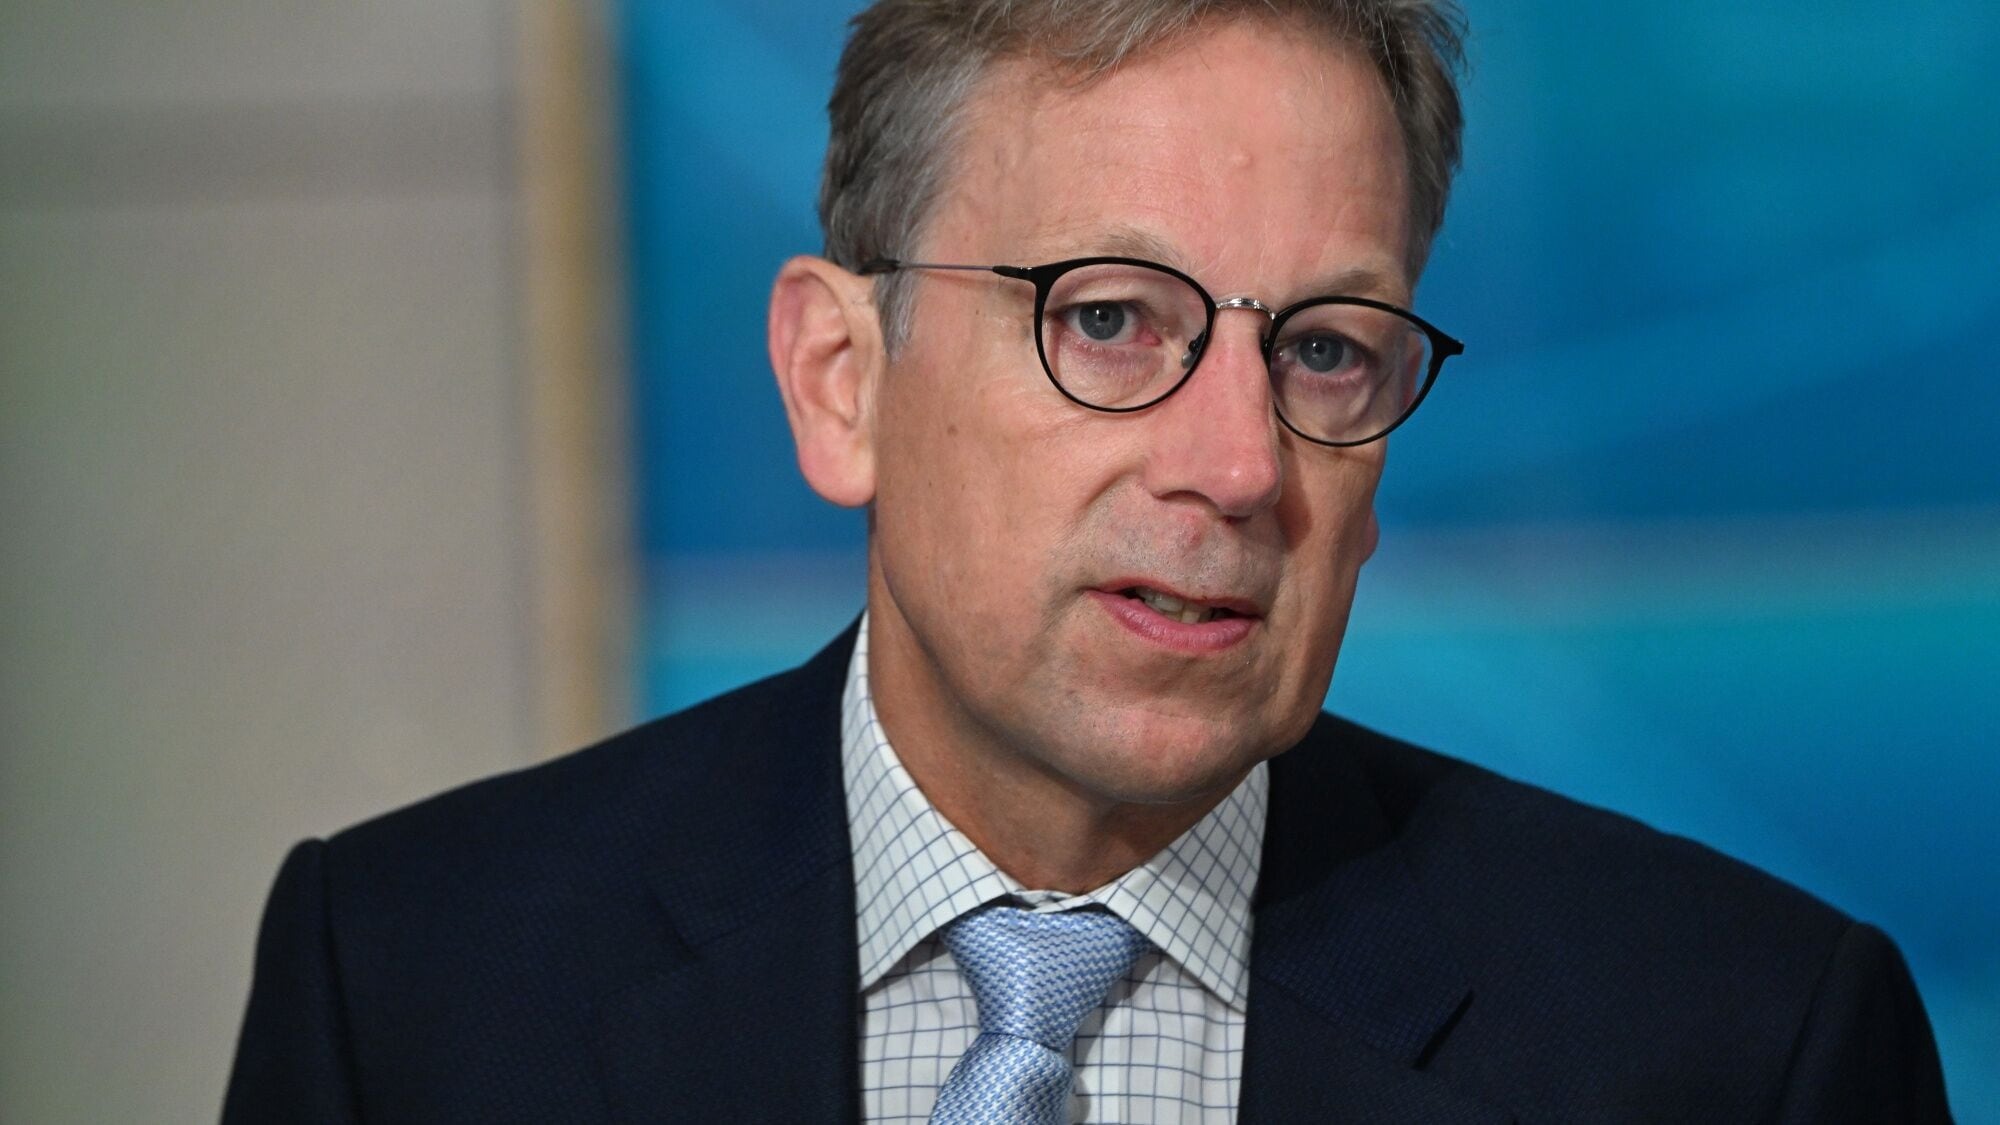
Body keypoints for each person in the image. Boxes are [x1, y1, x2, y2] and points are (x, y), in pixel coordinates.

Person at [224, 0, 1953, 1120]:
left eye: (1330, 350)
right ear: (845, 382)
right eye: (1111, 318)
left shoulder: (1739, 1050)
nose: (1238, 466)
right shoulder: (410, 988)